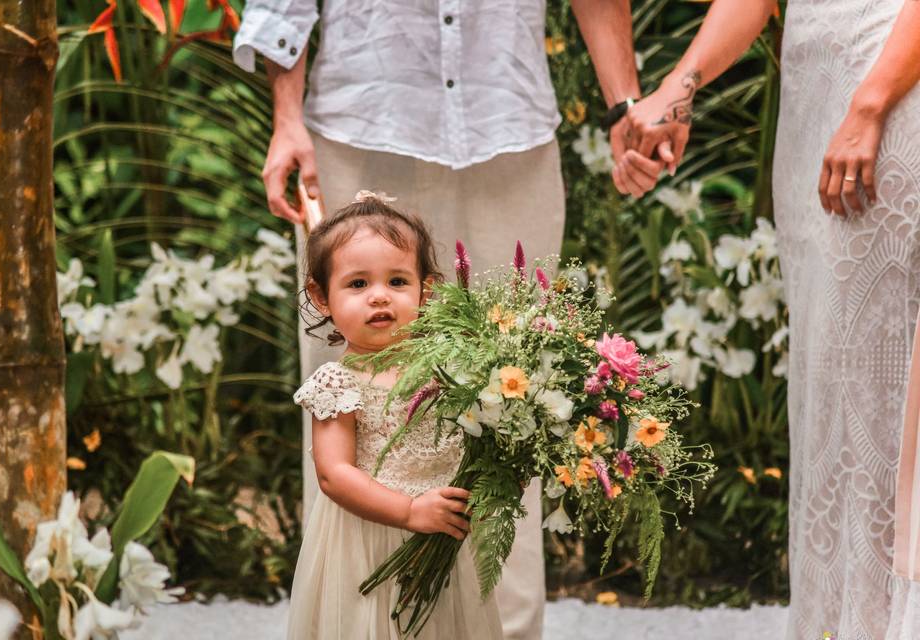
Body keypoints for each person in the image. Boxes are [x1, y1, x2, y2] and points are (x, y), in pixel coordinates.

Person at [233, 3, 651, 636]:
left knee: (520, 399)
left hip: (507, 127)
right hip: (359, 121)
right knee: (349, 396)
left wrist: (625, 105)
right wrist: (285, 117)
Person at [611, 1, 920, 637]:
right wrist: (681, 87)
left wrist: (871, 103)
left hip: (889, 87)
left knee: (882, 395)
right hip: (816, 98)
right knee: (830, 390)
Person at [287, 192, 502, 639]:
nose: (379, 297)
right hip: (370, 540)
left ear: (428, 289)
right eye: (358, 284)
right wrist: (407, 512)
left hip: (442, 530)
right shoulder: (336, 382)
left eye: (398, 282)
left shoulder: (450, 367)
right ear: (320, 295)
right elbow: (333, 474)